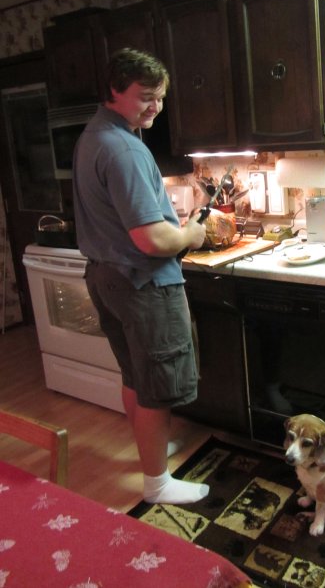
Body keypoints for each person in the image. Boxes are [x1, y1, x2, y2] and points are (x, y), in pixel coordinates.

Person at [73, 47, 209, 505]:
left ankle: (151, 455)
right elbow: (151, 241)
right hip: (142, 282)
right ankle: (158, 484)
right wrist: (191, 233)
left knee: (135, 375)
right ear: (115, 91)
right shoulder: (125, 149)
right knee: (156, 387)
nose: (155, 107)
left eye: (160, 98)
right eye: (145, 97)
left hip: (107, 277)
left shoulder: (95, 135)